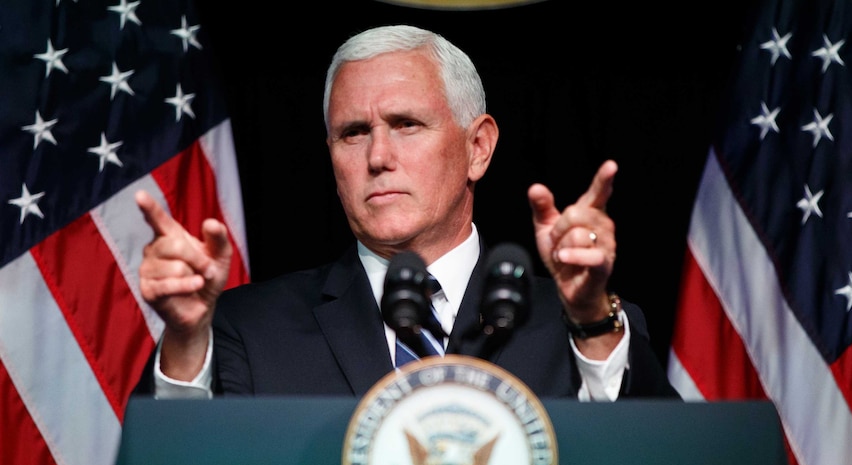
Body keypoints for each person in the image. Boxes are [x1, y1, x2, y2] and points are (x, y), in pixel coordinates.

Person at [132, 24, 679, 400]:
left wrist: (590, 322)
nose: (377, 157)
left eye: (406, 125)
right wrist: (183, 340)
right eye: (353, 133)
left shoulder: (584, 324)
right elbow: (176, 464)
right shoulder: (242, 329)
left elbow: (661, 462)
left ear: (478, 148)